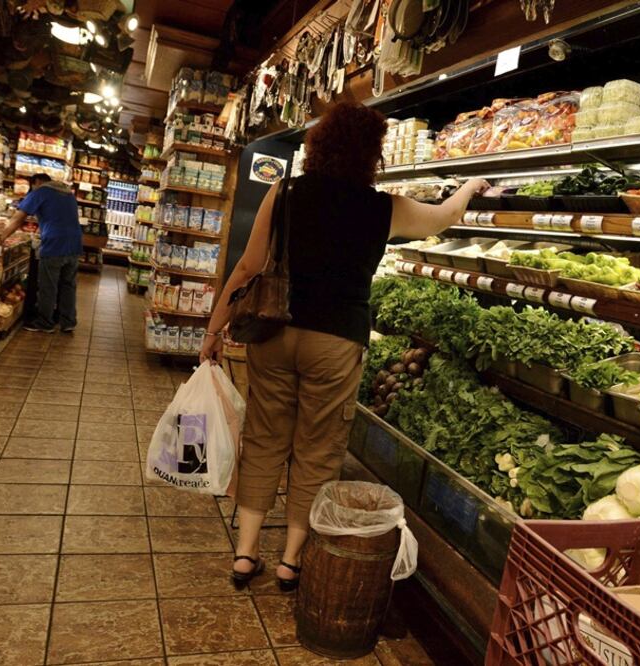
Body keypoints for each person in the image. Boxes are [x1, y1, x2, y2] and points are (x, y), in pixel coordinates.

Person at [200, 102, 488, 591]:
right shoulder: (384, 208)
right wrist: (471, 184)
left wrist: (212, 330)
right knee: (318, 448)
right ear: (372, 155)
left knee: (266, 438)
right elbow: (444, 218)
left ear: (317, 146)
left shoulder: (285, 192)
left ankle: (245, 555)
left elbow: (248, 267)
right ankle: (292, 560)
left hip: (274, 331)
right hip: (337, 341)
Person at [2, 172, 83, 333]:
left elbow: (18, 219)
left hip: (54, 244)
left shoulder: (41, 192)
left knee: (48, 285)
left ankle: (45, 322)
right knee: (68, 285)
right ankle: (68, 321)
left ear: (37, 182)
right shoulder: (67, 193)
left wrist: (0, 238)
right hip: (74, 243)